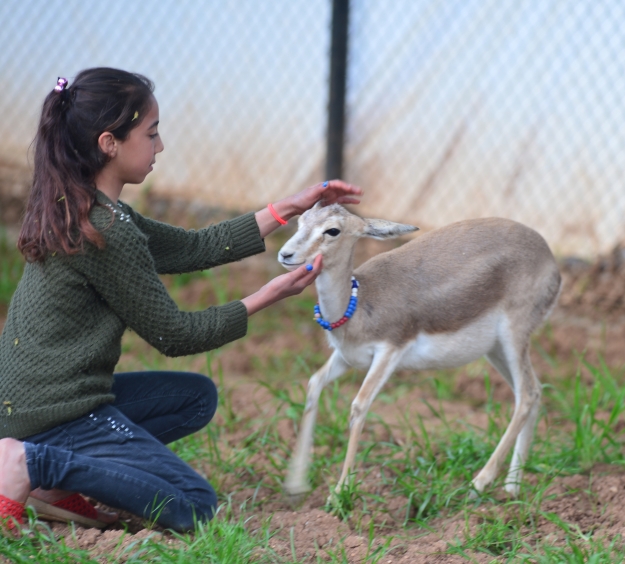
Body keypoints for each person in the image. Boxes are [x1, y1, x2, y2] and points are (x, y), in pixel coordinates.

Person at [0, 67, 362, 532]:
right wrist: (267, 296)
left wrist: (287, 208)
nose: (160, 146)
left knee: (192, 399)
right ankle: (30, 465)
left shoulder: (79, 205)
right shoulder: (106, 231)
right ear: (109, 143)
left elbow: (193, 248)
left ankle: (53, 486)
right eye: (151, 134)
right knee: (194, 505)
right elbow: (175, 334)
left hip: (31, 403)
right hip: (56, 413)